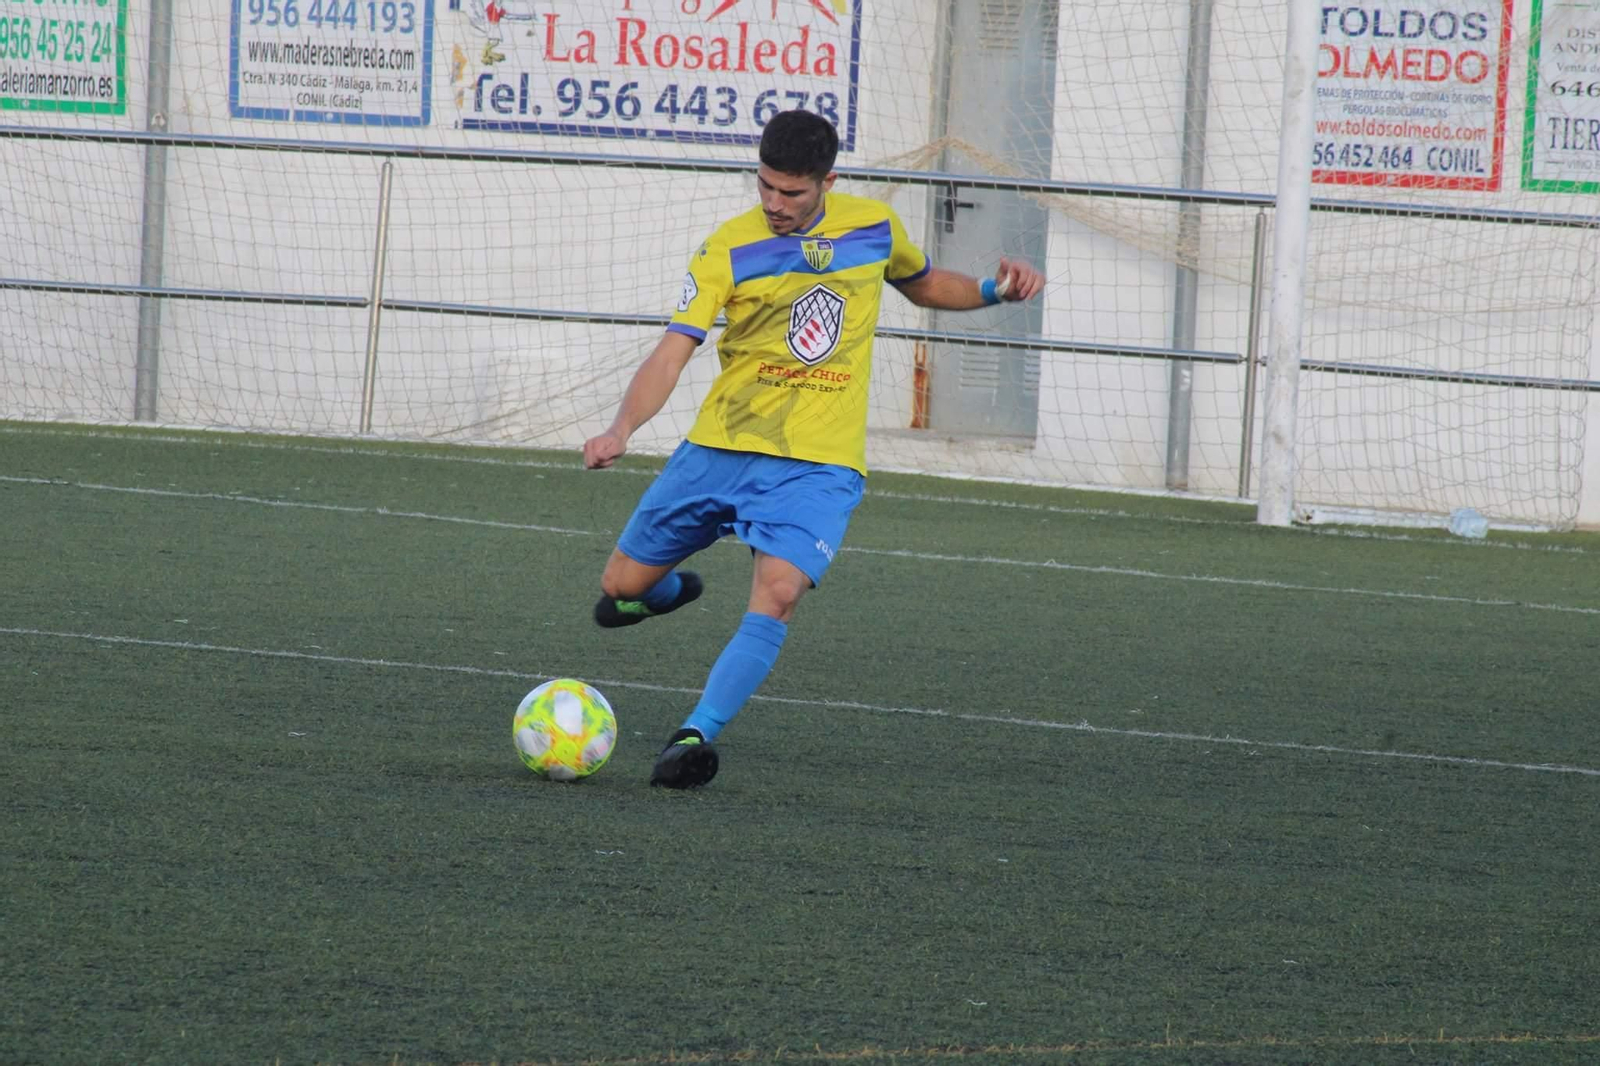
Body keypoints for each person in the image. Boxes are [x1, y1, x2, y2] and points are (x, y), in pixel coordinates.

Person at [582, 109, 1044, 789]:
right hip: (722, 448)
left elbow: (921, 283)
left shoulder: (873, 228)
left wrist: (989, 291)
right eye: (765, 187)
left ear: (829, 180)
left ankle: (693, 736)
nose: (774, 204)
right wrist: (622, 429)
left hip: (818, 463)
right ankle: (665, 591)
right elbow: (673, 350)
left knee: (779, 591)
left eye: (791, 193)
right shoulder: (726, 249)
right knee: (620, 587)